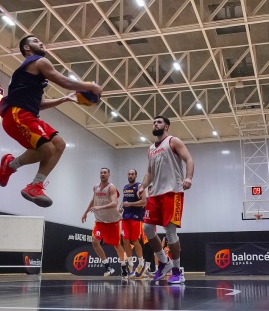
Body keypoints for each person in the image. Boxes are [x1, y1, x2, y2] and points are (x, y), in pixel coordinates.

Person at [0, 35, 102, 207]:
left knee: (59, 145)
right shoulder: (39, 62)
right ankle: (10, 165)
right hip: (16, 115)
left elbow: (40, 105)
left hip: (27, 114)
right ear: (27, 49)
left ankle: (35, 185)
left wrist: (64, 99)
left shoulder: (31, 75)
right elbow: (64, 81)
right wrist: (89, 86)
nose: (41, 43)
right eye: (36, 41)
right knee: (47, 149)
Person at [139, 115, 194, 285]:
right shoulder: (150, 149)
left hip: (173, 192)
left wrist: (189, 177)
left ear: (166, 127)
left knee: (170, 234)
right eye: (154, 122)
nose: (155, 124)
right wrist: (142, 186)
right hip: (155, 194)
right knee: (148, 228)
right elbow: (149, 173)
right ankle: (164, 262)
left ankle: (178, 271)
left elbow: (188, 159)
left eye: (159, 122)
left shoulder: (173, 141)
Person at [81, 167, 128, 277]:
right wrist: (85, 212)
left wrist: (100, 207)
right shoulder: (96, 187)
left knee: (117, 246)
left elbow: (114, 203)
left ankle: (123, 266)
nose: (103, 174)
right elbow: (93, 200)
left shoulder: (111, 188)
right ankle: (107, 266)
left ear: (109, 175)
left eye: (105, 173)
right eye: (101, 172)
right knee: (94, 241)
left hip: (112, 221)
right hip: (100, 221)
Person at [119, 168, 147, 278]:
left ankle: (141, 263)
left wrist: (130, 205)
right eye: (129, 174)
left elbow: (144, 202)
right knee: (125, 240)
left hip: (135, 216)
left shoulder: (139, 187)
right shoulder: (125, 187)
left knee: (135, 240)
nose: (130, 176)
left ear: (136, 175)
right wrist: (120, 208)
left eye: (132, 174)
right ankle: (130, 265)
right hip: (125, 216)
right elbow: (124, 200)